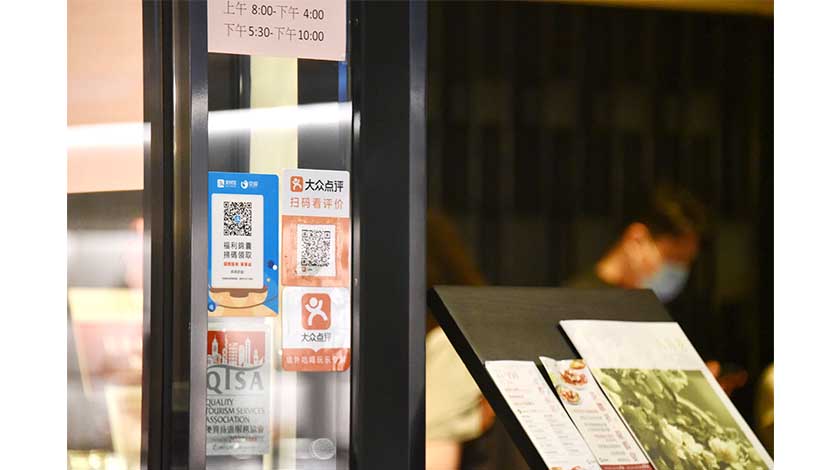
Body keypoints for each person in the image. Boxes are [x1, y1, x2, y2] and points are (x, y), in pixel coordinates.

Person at [566, 184, 748, 395]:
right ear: (637, 239)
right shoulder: (574, 303)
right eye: (674, 258)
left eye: (686, 263)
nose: (680, 271)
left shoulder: (656, 307)